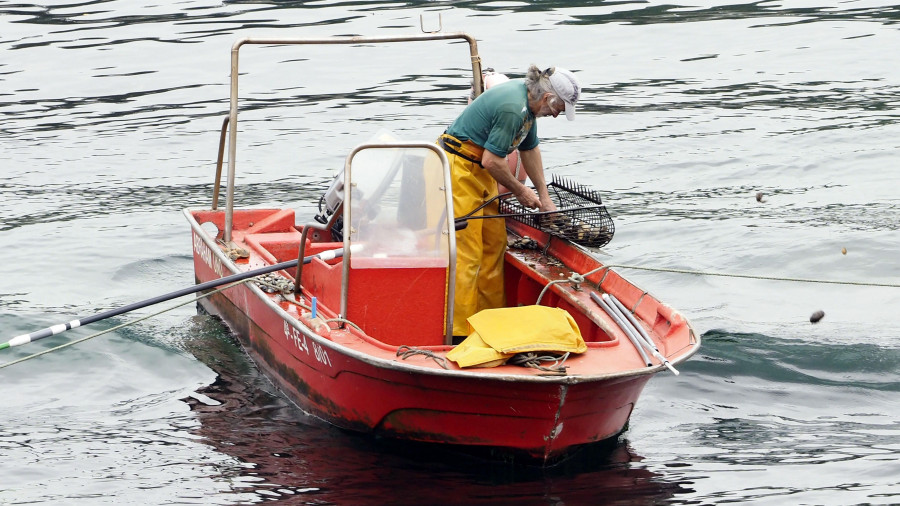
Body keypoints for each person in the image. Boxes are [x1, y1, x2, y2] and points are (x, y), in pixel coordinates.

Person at [438, 65, 581, 336]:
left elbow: (529, 148)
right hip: (458, 167)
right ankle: (458, 332)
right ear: (548, 99)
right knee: (468, 252)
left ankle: (490, 323)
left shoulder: (529, 105)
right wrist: (520, 191)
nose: (556, 115)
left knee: (494, 244)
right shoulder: (512, 108)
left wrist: (544, 197)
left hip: (479, 172)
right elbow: (492, 160)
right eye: (558, 109)